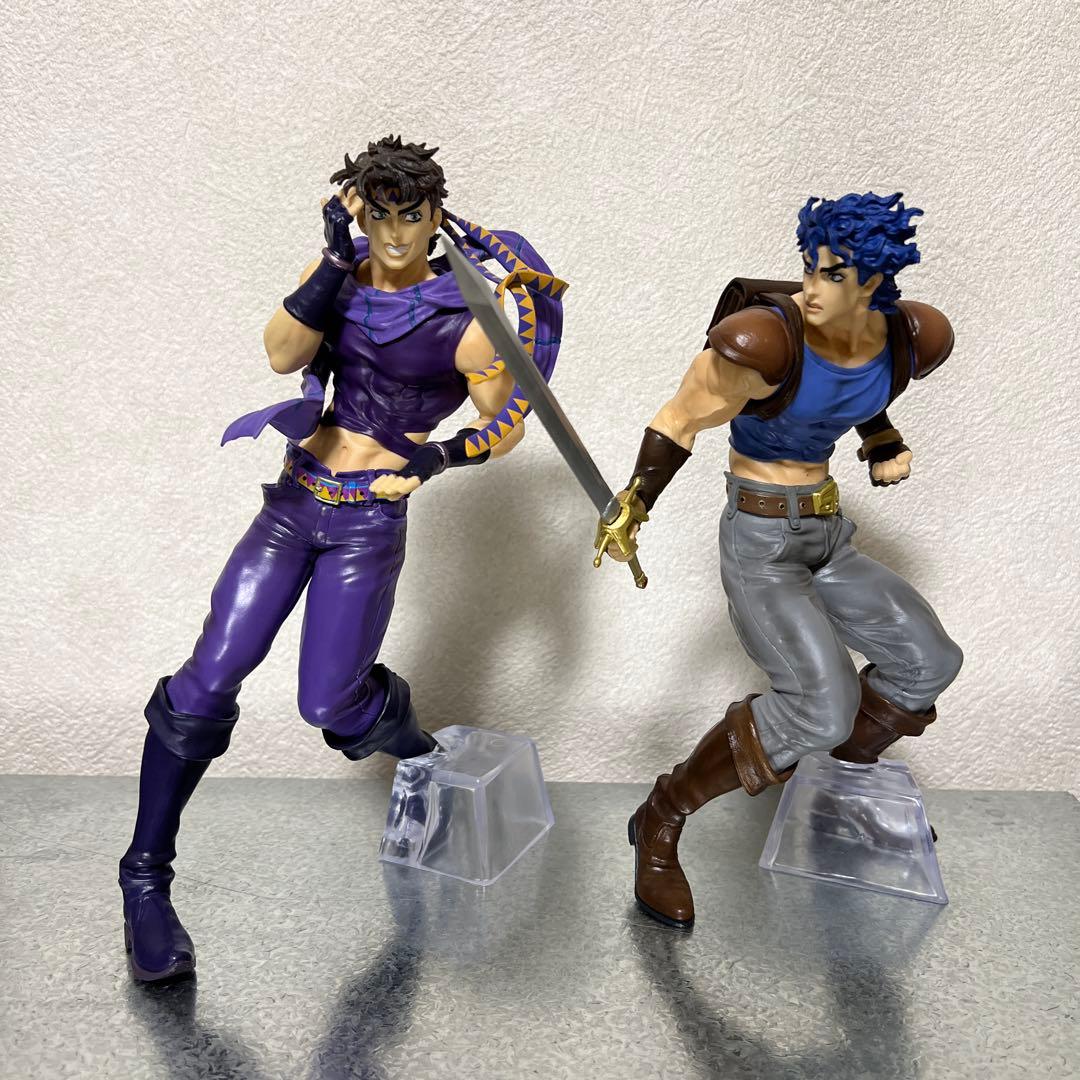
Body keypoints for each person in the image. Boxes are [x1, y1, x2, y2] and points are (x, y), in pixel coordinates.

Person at [119, 135, 564, 980]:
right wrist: (329, 260)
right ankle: (144, 877)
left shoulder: (465, 316)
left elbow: (505, 423)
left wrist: (437, 458)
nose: (394, 233)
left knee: (329, 701)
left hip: (367, 519)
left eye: (411, 214)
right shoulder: (339, 276)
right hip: (294, 501)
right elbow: (281, 354)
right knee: (206, 680)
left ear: (435, 214)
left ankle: (418, 750)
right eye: (379, 212)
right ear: (358, 208)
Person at [601, 192, 962, 929]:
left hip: (828, 535)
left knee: (928, 661)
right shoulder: (764, 342)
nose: (812, 287)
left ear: (874, 283)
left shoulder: (907, 339)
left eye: (833, 274)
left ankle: (832, 790)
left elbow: (855, 390)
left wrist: (881, 439)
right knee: (821, 706)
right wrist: (635, 503)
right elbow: (678, 418)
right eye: (809, 267)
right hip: (763, 541)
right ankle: (662, 815)